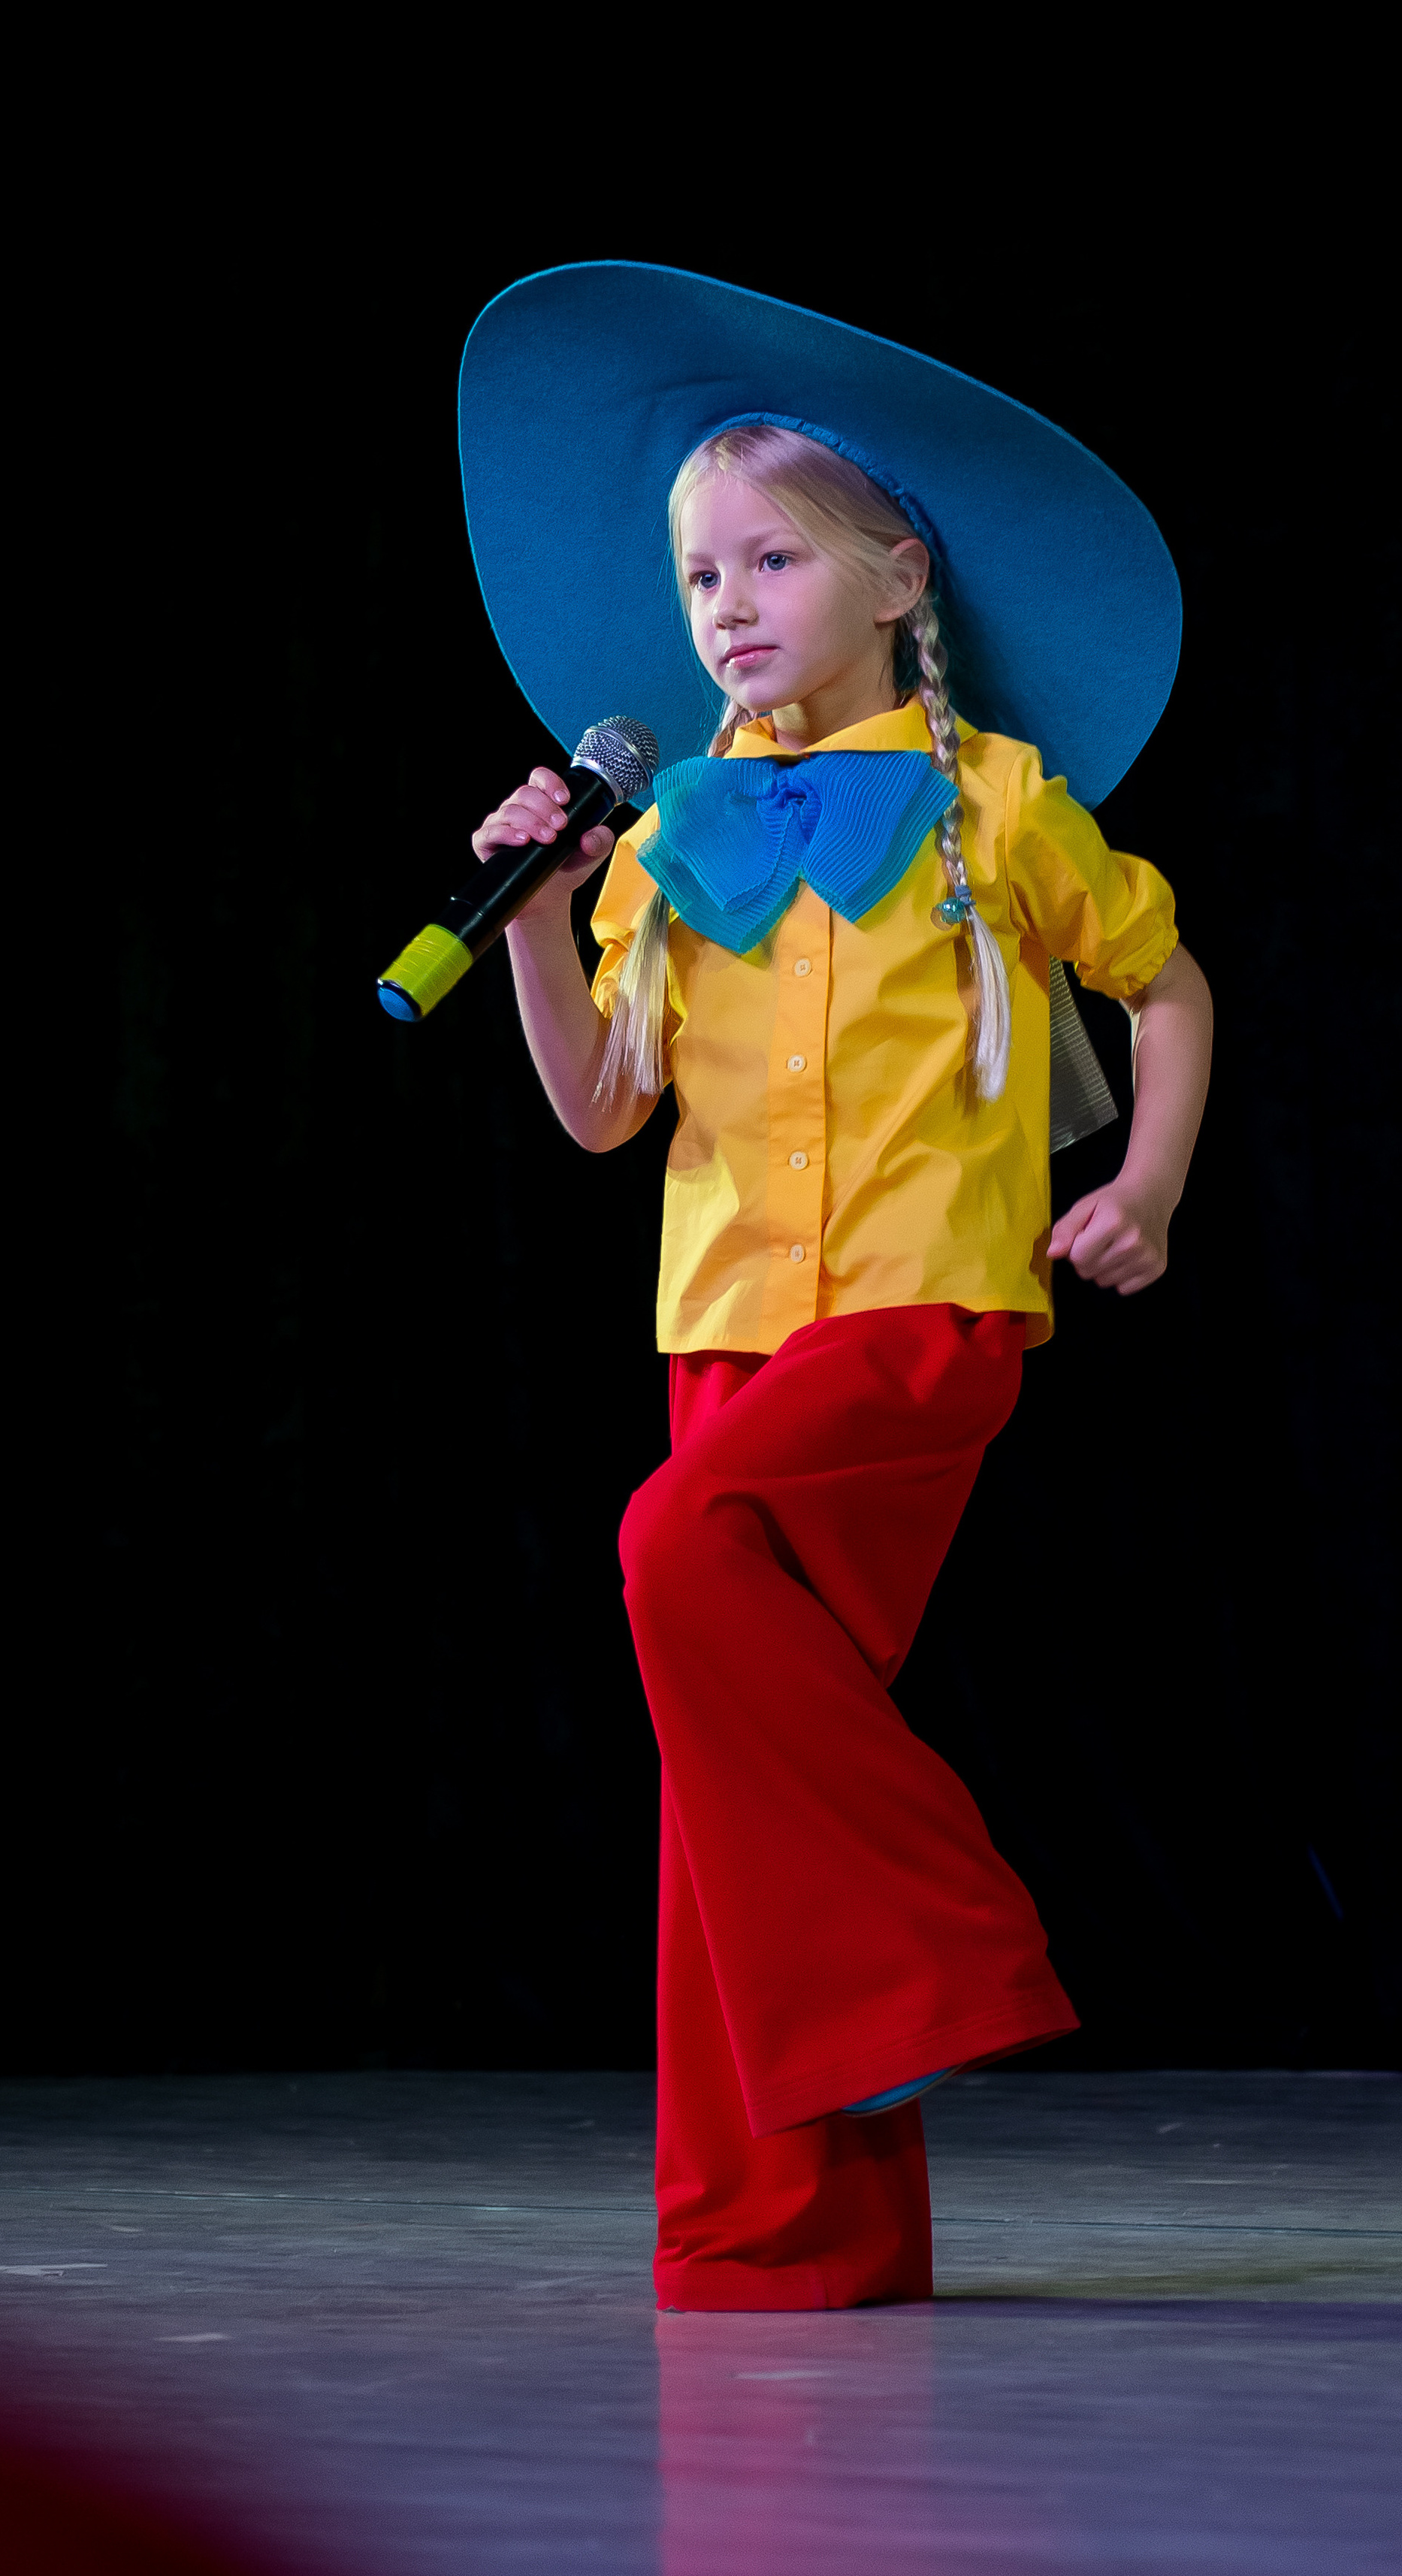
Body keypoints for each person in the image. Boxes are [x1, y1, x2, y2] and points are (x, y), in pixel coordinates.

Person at [457, 271, 1212, 2310]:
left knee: (670, 1547)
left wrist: (1139, 1181)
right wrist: (534, 926)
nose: (726, 603)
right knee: (731, 1780)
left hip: (923, 1316)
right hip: (727, 1334)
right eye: (700, 571)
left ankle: (947, 1941)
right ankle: (784, 2231)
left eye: (773, 557)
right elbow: (610, 1114)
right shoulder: (662, 843)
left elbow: (1168, 983)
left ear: (898, 575)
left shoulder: (997, 809)